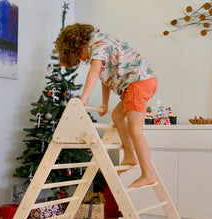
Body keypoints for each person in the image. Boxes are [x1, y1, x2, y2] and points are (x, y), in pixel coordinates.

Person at [56, 23, 158, 188]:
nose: (82, 59)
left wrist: (84, 99)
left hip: (137, 83)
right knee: (117, 116)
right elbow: (105, 77)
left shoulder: (97, 44)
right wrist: (105, 103)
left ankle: (148, 174)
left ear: (79, 44)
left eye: (78, 55)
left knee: (136, 130)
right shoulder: (101, 43)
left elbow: (95, 72)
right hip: (142, 82)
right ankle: (130, 155)